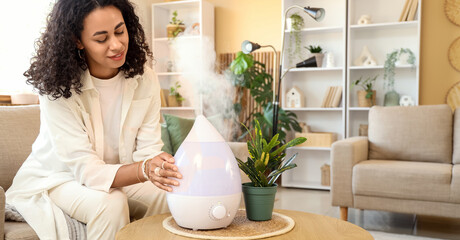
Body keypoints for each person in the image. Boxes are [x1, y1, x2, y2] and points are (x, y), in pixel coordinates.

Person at [5, 0, 182, 239]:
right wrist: (144, 169)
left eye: (120, 31)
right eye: (101, 39)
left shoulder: (145, 78)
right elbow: (88, 172)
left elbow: (147, 153)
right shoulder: (58, 89)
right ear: (78, 41)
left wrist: (159, 168)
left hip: (120, 175)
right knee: (110, 203)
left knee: (171, 192)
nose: (117, 44)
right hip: (61, 178)